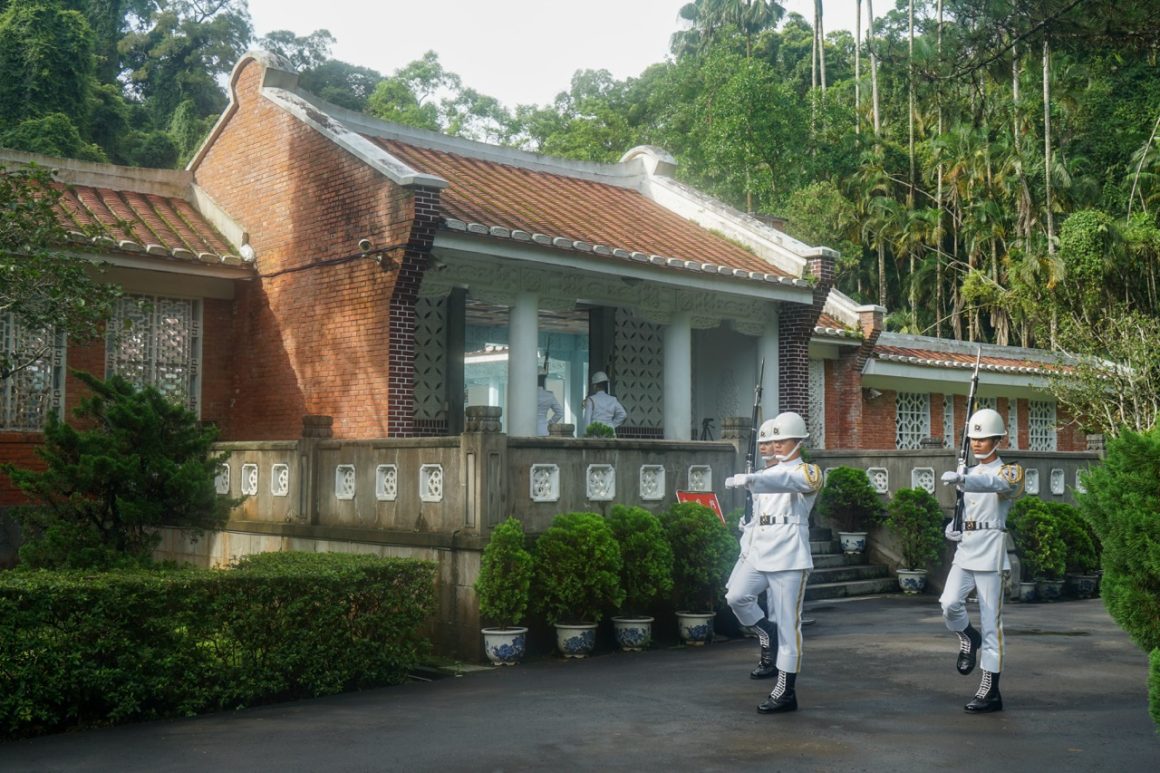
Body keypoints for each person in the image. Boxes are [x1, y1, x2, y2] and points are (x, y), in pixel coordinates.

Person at [724, 412, 822, 714]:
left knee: (788, 624)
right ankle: (766, 632)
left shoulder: (809, 472)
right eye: (773, 440)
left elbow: (788, 480)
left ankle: (785, 689)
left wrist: (753, 479)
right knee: (736, 596)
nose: (776, 446)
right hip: (761, 551)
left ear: (798, 442)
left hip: (790, 556)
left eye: (782, 440)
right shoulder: (769, 474)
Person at [939, 408, 1024, 714]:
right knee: (949, 604)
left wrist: (964, 479)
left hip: (990, 552)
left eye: (983, 438)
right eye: (973, 438)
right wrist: (954, 526)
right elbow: (966, 508)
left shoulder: (1010, 472)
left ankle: (990, 689)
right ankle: (967, 636)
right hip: (966, 550)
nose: (976, 444)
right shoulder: (968, 474)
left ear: (998, 440)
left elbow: (995, 485)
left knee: (992, 624)